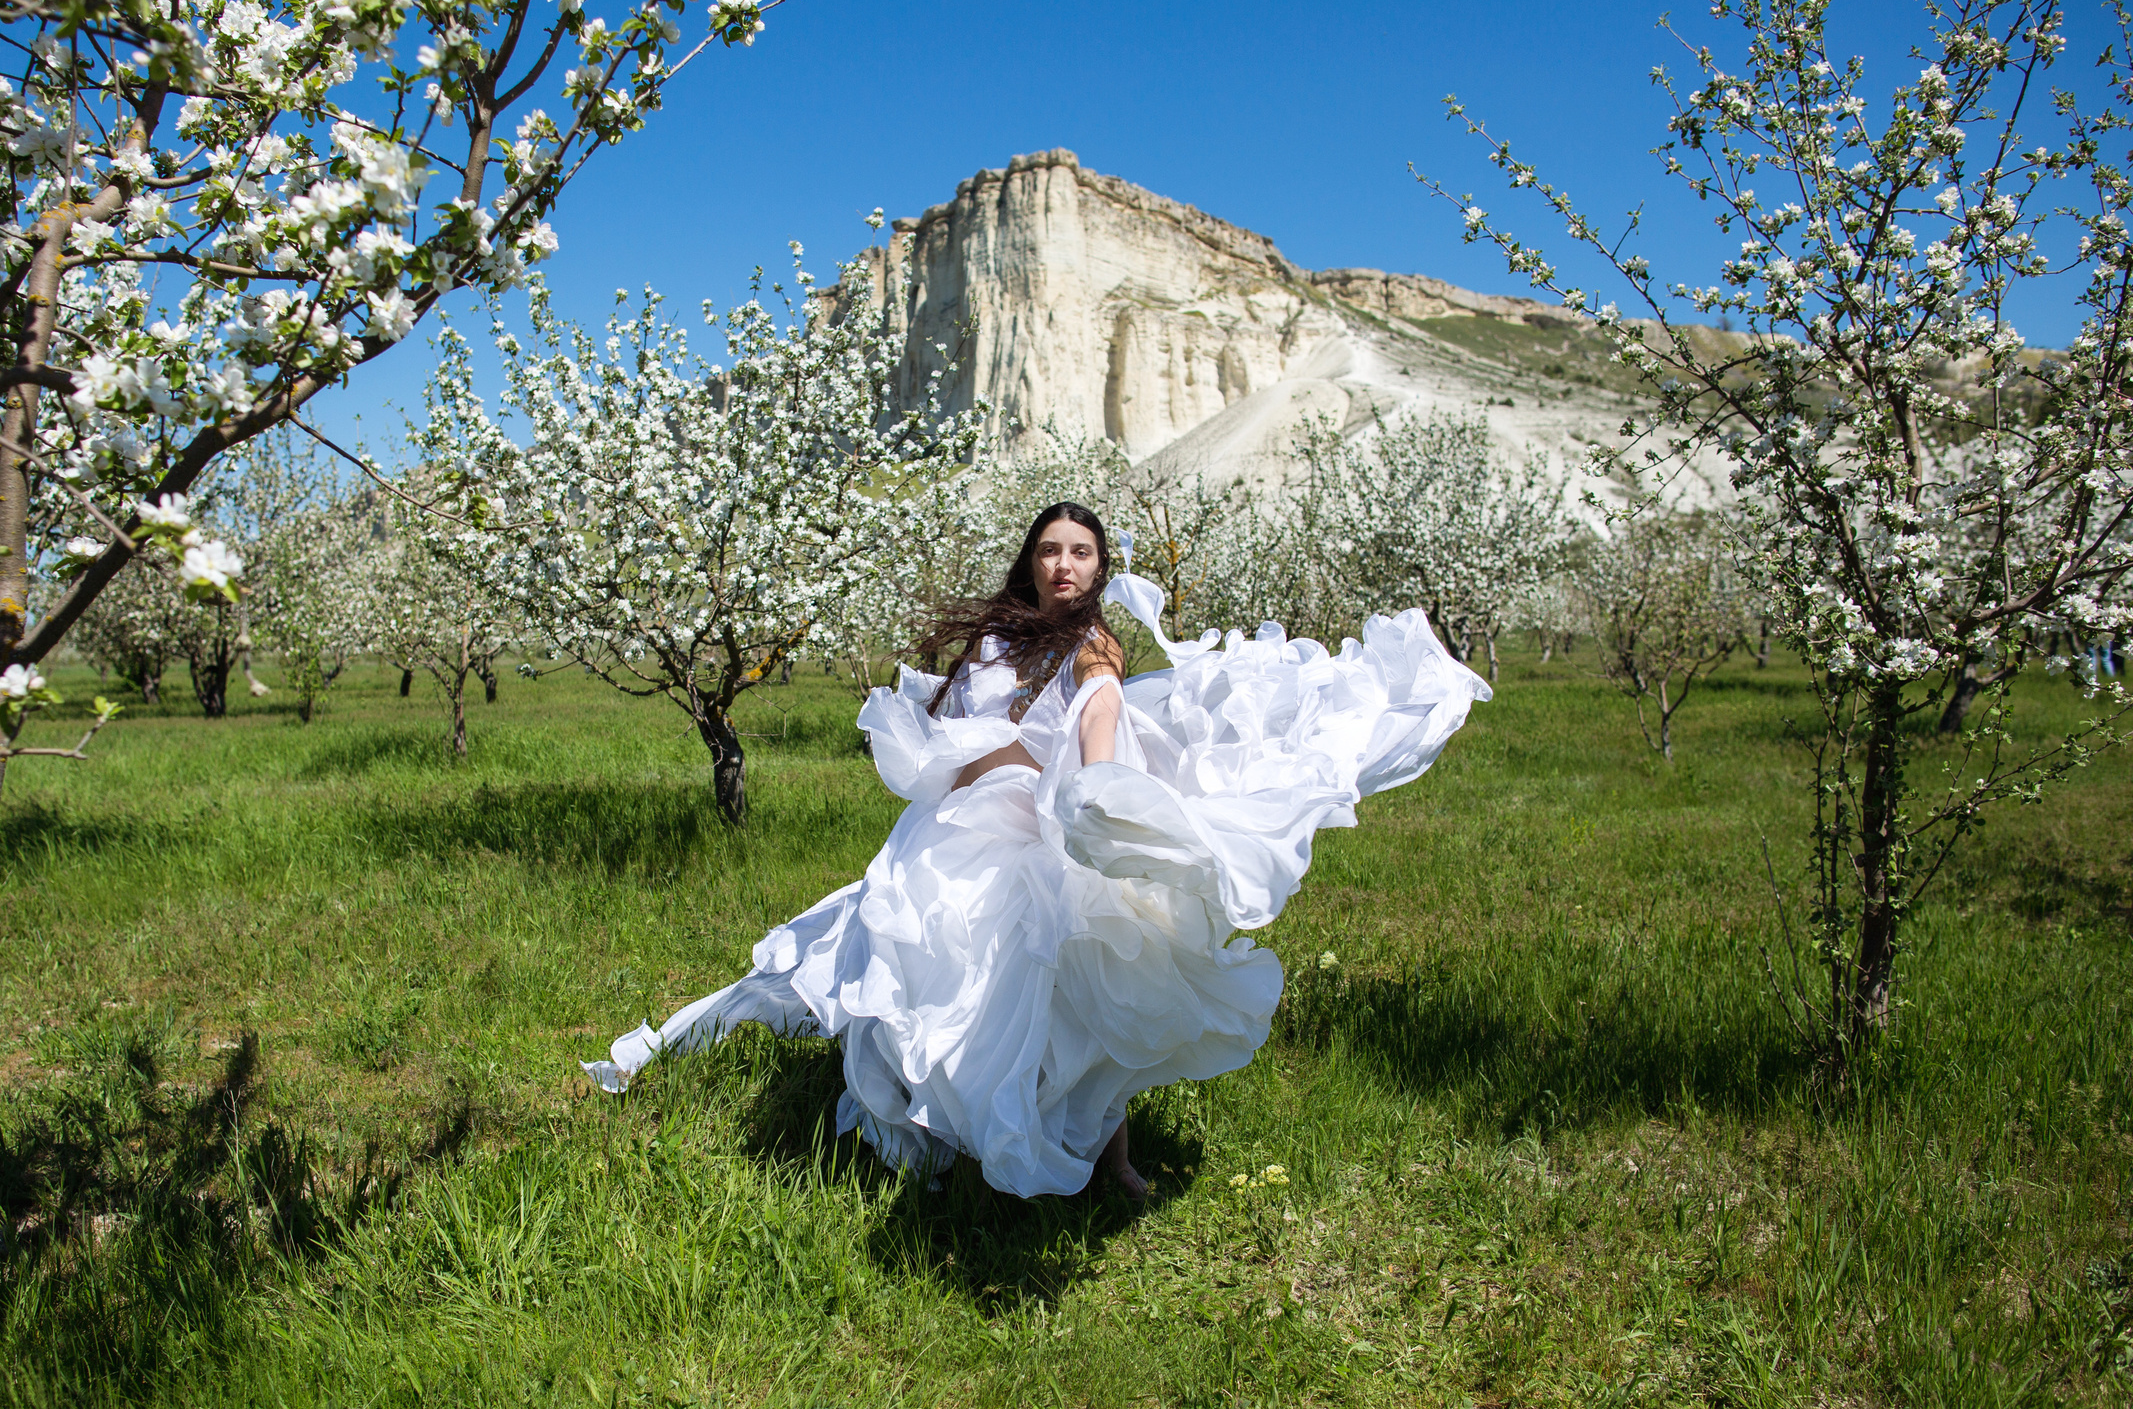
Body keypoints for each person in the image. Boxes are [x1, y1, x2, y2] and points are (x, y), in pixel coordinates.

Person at [588, 502, 1491, 1200]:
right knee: (928, 972)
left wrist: (1100, 794)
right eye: (1052, 550)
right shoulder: (993, 639)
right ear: (1032, 559)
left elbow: (1100, 710)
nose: (1065, 564)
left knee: (1080, 987)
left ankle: (1109, 1161)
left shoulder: (1093, 641)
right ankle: (944, 1132)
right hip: (960, 825)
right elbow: (959, 723)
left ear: (1100, 568)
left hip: (1040, 828)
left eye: (1083, 552)